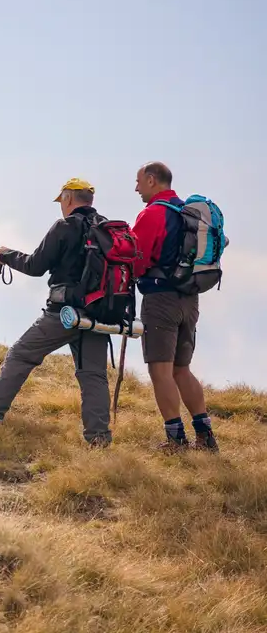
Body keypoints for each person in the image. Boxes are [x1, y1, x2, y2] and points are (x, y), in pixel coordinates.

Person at [0, 178, 113, 447]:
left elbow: (35, 265)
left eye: (61, 201)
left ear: (68, 199)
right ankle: (98, 440)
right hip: (98, 315)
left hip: (63, 313)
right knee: (93, 375)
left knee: (21, 354)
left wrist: (6, 255)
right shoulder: (108, 229)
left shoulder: (65, 226)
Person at [131, 162, 218, 451]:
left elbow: (138, 258)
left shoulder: (153, 213)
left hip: (160, 299)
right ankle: (206, 437)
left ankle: (175, 440)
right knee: (182, 369)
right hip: (190, 298)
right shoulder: (188, 212)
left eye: (139, 181)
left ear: (153, 180)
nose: (136, 188)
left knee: (161, 370)